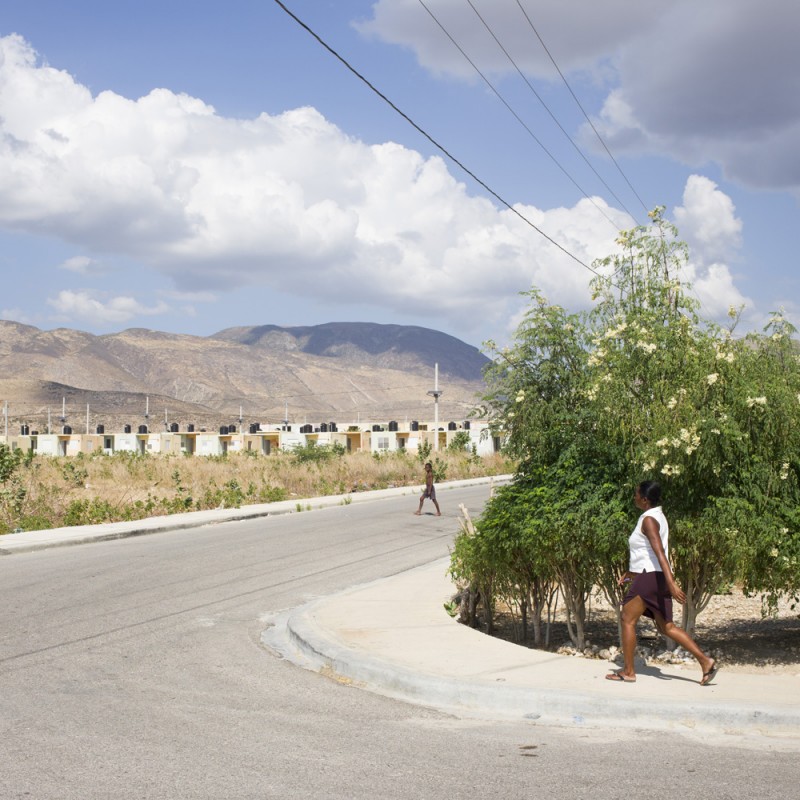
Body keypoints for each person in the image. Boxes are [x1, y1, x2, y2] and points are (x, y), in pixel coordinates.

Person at [606, 480, 718, 685]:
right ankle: (705, 661)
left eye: (636, 494)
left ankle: (629, 671)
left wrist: (672, 582)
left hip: (651, 577)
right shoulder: (658, 516)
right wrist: (632, 573)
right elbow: (647, 553)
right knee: (667, 627)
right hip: (652, 576)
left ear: (645, 499)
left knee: (627, 619)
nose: (634, 497)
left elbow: (659, 553)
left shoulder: (649, 520)